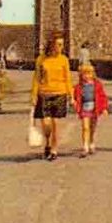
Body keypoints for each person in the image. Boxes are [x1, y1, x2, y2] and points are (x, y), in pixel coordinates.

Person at [31, 31, 71, 161]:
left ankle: (54, 148)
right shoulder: (41, 59)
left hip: (60, 93)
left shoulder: (64, 60)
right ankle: (47, 142)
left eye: (62, 45)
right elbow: (37, 77)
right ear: (52, 45)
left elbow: (68, 78)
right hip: (44, 93)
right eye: (59, 45)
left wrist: (71, 96)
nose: (61, 47)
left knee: (55, 123)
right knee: (46, 124)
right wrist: (34, 95)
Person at [73, 63, 109, 157]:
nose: (87, 76)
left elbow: (102, 96)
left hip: (94, 108)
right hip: (84, 108)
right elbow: (75, 98)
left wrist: (104, 108)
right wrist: (74, 103)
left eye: (89, 74)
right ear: (81, 75)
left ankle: (91, 142)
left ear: (93, 74)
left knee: (92, 127)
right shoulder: (78, 86)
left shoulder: (97, 85)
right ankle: (85, 146)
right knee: (85, 128)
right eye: (84, 74)